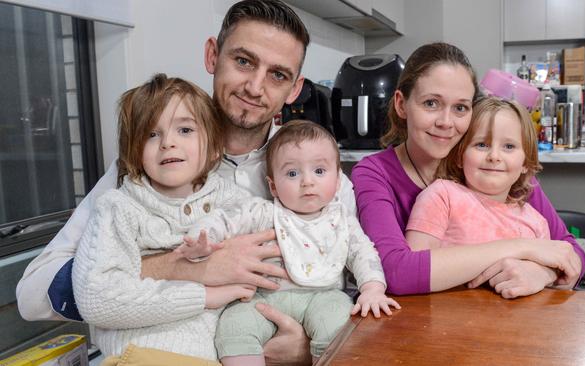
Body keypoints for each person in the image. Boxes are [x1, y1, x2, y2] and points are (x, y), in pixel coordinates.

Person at [17, 1, 345, 364]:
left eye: (278, 75)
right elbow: (33, 294)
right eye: (243, 61)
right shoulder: (147, 166)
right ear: (212, 55)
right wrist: (185, 268)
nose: (255, 86)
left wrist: (302, 347)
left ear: (295, 89)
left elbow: (346, 287)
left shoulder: (319, 174)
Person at [351, 42, 585, 300]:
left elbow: (571, 251)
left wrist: (542, 273)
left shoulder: (492, 169)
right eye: (431, 103)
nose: (446, 122)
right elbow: (396, 273)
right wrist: (526, 248)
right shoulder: (374, 173)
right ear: (401, 104)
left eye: (460, 107)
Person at [177, 120, 398, 365]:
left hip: (323, 296)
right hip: (264, 299)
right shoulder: (262, 212)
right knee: (234, 325)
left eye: (319, 171)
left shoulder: (341, 220)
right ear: (272, 185)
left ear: (337, 181)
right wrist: (202, 239)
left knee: (338, 324)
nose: (307, 181)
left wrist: (372, 288)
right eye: (292, 173)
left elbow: (364, 253)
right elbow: (224, 219)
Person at [72, 74, 257, 360]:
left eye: (184, 130)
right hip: (140, 355)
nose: (168, 143)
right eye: (151, 134)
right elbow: (96, 298)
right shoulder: (119, 208)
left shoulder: (233, 201)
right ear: (133, 150)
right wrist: (204, 296)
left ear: (214, 146)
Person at [406, 96, 558, 298]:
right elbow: (414, 268)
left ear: (525, 163)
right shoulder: (442, 196)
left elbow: (544, 286)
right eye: (482, 145)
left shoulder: (536, 223)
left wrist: (547, 273)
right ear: (460, 155)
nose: (494, 156)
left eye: (509, 147)